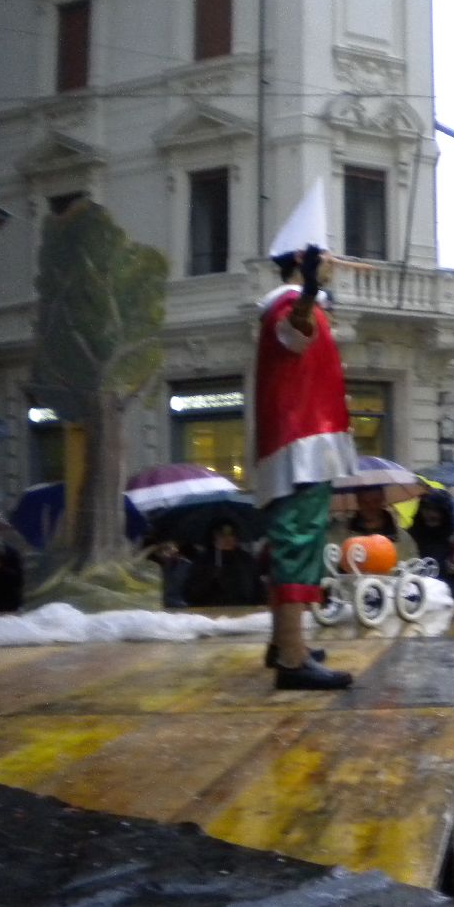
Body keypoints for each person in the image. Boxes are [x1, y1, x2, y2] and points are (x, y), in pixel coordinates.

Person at [256, 234, 357, 690]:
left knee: (293, 540)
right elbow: (294, 331)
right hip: (302, 442)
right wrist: (312, 290)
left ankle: (284, 643)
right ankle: (293, 660)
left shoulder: (289, 304)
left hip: (300, 439)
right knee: (298, 541)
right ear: (304, 260)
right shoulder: (291, 303)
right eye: (325, 255)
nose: (334, 261)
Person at [184, 521, 268, 607]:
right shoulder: (203, 561)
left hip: (243, 609)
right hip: (212, 610)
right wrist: (209, 576)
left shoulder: (245, 560)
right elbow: (190, 593)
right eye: (222, 536)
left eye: (231, 535)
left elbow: (257, 588)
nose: (227, 539)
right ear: (214, 538)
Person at [408, 489, 454, 577]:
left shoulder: (453, 542)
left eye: (436, 510)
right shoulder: (409, 536)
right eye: (427, 508)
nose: (431, 514)